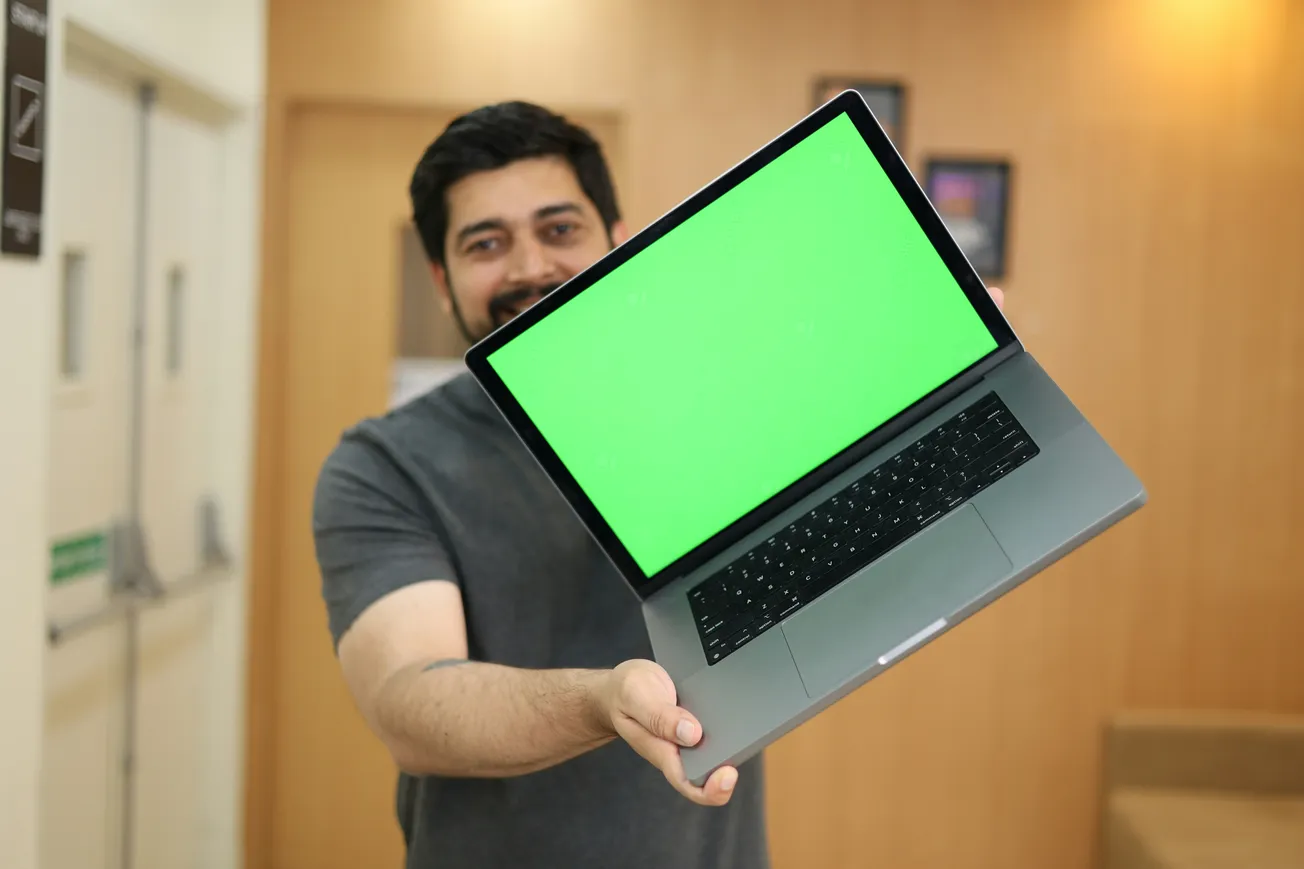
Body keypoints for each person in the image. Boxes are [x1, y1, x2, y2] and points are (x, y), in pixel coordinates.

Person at [312, 100, 1005, 869]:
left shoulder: (718, 403)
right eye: (486, 242)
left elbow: (861, 547)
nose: (530, 265)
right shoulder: (385, 465)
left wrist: (939, 361)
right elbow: (409, 702)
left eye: (559, 228)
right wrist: (599, 702)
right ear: (442, 279)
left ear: (615, 240)